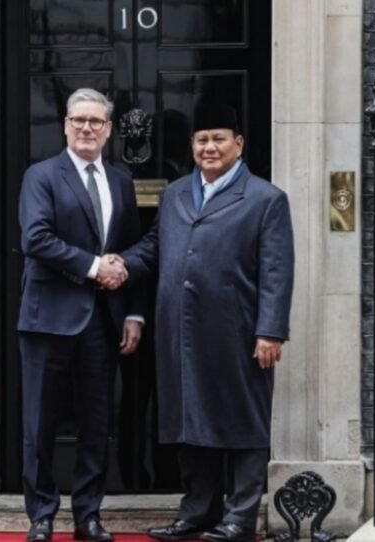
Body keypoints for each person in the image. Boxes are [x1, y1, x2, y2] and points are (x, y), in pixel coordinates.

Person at [105, 103, 295, 542]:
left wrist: (270, 330)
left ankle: (239, 517)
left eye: (218, 139)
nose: (209, 148)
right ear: (192, 147)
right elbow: (154, 248)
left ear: (238, 144)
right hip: (180, 332)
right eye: (201, 140)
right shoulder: (175, 195)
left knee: (243, 425)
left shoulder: (266, 198)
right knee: (189, 423)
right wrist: (120, 264)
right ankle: (197, 513)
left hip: (239, 332)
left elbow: (277, 271)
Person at [17, 88, 144, 542]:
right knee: (41, 423)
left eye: (96, 121)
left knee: (97, 422)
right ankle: (42, 516)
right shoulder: (41, 176)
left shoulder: (121, 182)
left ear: (108, 130)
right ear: (65, 126)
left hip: (102, 320)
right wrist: (94, 267)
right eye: (78, 120)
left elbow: (129, 250)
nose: (86, 128)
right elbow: (36, 238)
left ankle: (88, 515)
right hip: (47, 318)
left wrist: (134, 314)